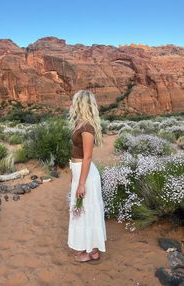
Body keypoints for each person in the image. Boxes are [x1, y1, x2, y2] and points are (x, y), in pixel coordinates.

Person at [67, 89, 107, 263]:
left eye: (75, 101)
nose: (73, 104)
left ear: (81, 104)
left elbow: (88, 157)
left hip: (87, 176)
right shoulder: (80, 123)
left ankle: (91, 252)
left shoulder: (87, 128)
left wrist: (81, 184)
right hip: (80, 173)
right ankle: (92, 249)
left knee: (87, 211)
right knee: (85, 211)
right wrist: (75, 178)